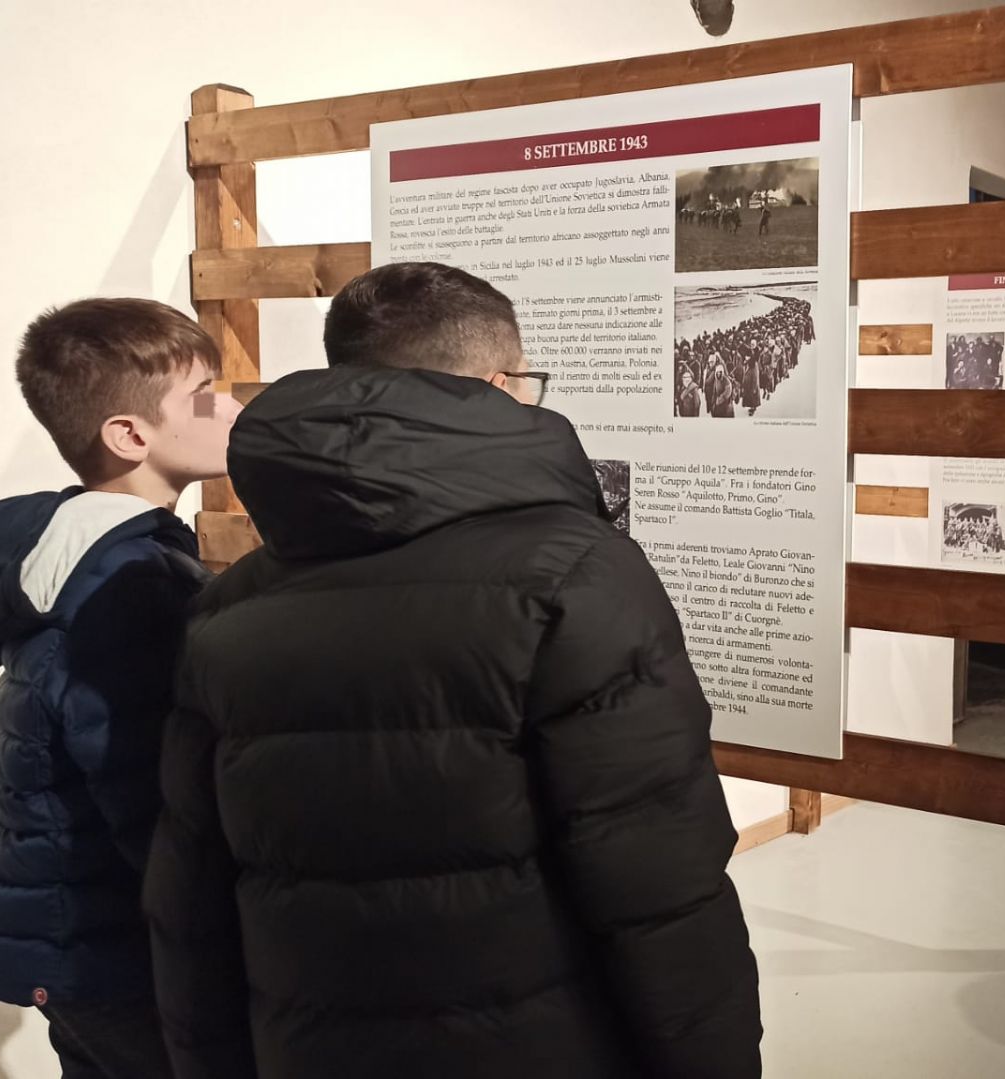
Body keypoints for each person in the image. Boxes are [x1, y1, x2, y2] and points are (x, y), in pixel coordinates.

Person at [144, 261, 762, 1079]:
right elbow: (659, 884)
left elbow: (189, 897)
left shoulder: (228, 604)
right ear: (500, 387)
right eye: (530, 381)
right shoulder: (577, 575)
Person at [0, 299, 239, 1078]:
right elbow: (144, 785)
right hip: (106, 943)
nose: (230, 408)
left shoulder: (80, 548)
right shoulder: (125, 578)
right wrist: (218, 921)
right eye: (205, 395)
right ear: (129, 435)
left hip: (71, 931)